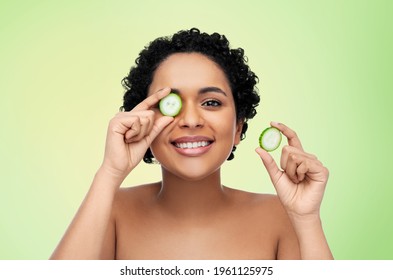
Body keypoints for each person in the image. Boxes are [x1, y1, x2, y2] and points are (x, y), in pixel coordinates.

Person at [50, 28, 333, 260]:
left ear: (238, 127)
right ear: (141, 122)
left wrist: (306, 220)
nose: (190, 120)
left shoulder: (280, 216)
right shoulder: (110, 210)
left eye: (211, 102)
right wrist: (110, 172)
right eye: (170, 104)